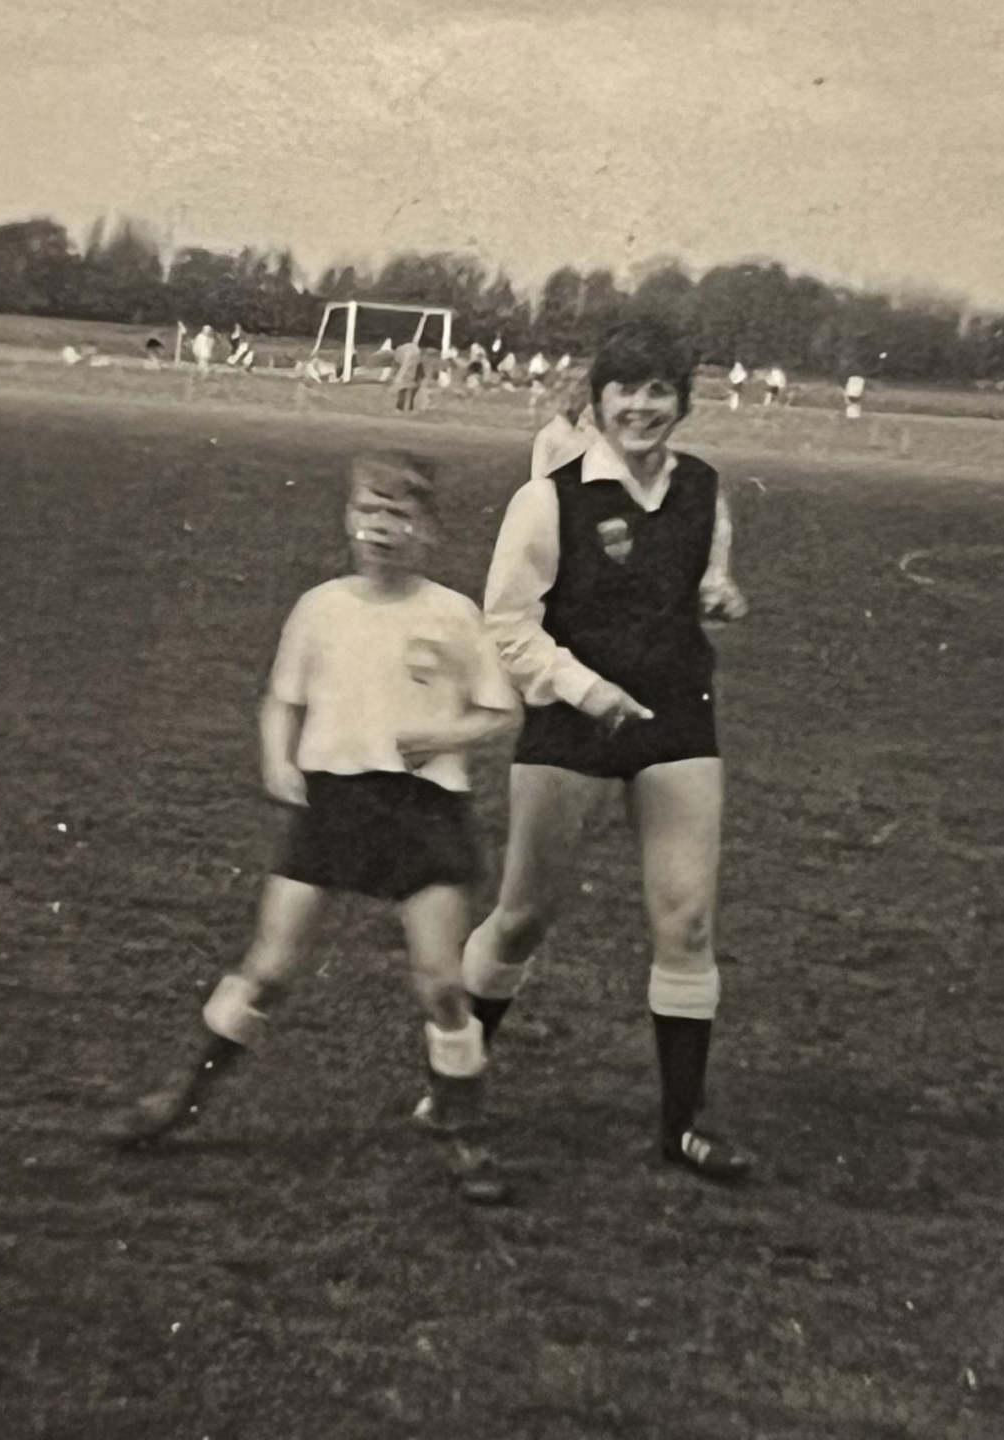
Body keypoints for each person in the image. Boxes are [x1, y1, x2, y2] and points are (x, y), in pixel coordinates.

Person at [108, 453, 520, 1204]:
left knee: (441, 985)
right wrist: (277, 762)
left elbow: (501, 713)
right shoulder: (320, 607)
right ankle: (183, 1099)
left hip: (424, 811)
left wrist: (444, 737)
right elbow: (279, 699)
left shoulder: (454, 614)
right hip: (333, 805)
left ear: (428, 529)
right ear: (347, 518)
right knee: (269, 967)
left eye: (400, 516)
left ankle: (460, 1128)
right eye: (369, 512)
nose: (382, 530)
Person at [457, 318, 754, 1183]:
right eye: (626, 389)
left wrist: (721, 593)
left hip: (675, 717)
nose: (642, 406)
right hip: (573, 718)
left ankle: (683, 1128)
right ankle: (455, 1075)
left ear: (682, 402)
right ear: (599, 399)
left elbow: (706, 574)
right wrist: (588, 691)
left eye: (660, 390)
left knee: (688, 921)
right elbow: (508, 624)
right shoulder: (550, 497)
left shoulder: (703, 487)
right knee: (523, 918)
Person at [390, 338, 426, 412]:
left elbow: (401, 366)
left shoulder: (400, 352)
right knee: (410, 386)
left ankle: (402, 407)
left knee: (405, 386)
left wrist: (397, 378)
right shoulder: (406, 350)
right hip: (416, 362)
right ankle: (406, 407)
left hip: (414, 361)